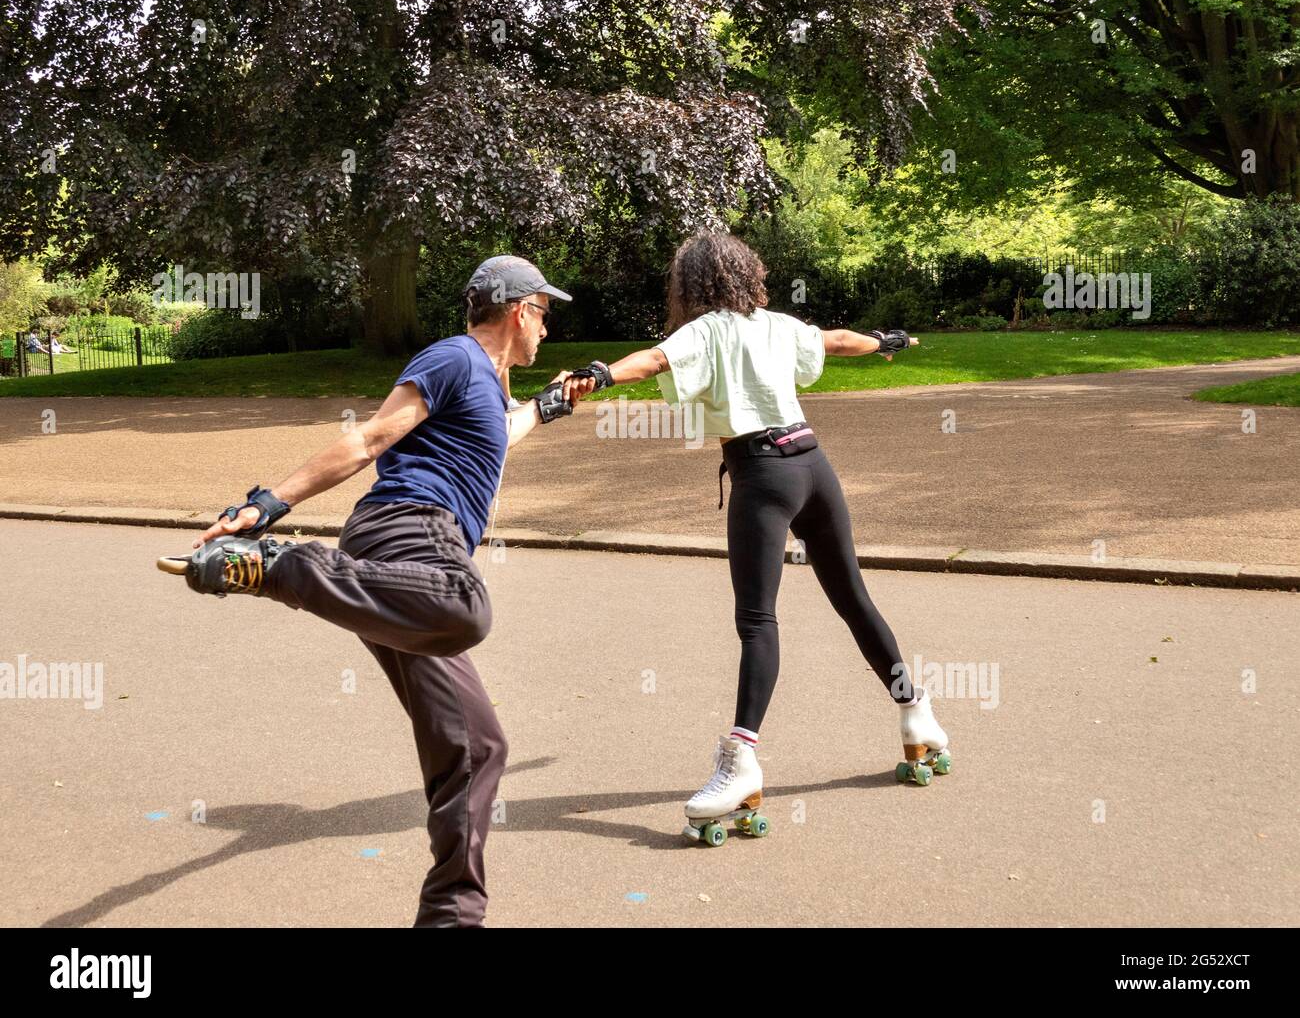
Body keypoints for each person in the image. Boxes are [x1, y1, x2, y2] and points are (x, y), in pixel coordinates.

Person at [161, 255, 594, 925]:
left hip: (393, 575)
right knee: (465, 604)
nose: (548, 327)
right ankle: (285, 567)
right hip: (409, 536)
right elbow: (369, 438)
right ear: (517, 309)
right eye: (545, 311)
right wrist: (266, 504)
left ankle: (451, 915)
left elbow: (504, 430)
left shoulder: (487, 386)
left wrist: (553, 403)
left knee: (477, 746)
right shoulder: (454, 358)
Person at [567, 232, 951, 842]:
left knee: (756, 621)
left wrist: (596, 375)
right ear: (747, 274)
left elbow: (654, 359)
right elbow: (836, 340)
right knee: (853, 599)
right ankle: (918, 715)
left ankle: (741, 759)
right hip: (812, 464)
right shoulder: (777, 323)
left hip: (764, 476)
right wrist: (886, 341)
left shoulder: (706, 330)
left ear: (689, 285)